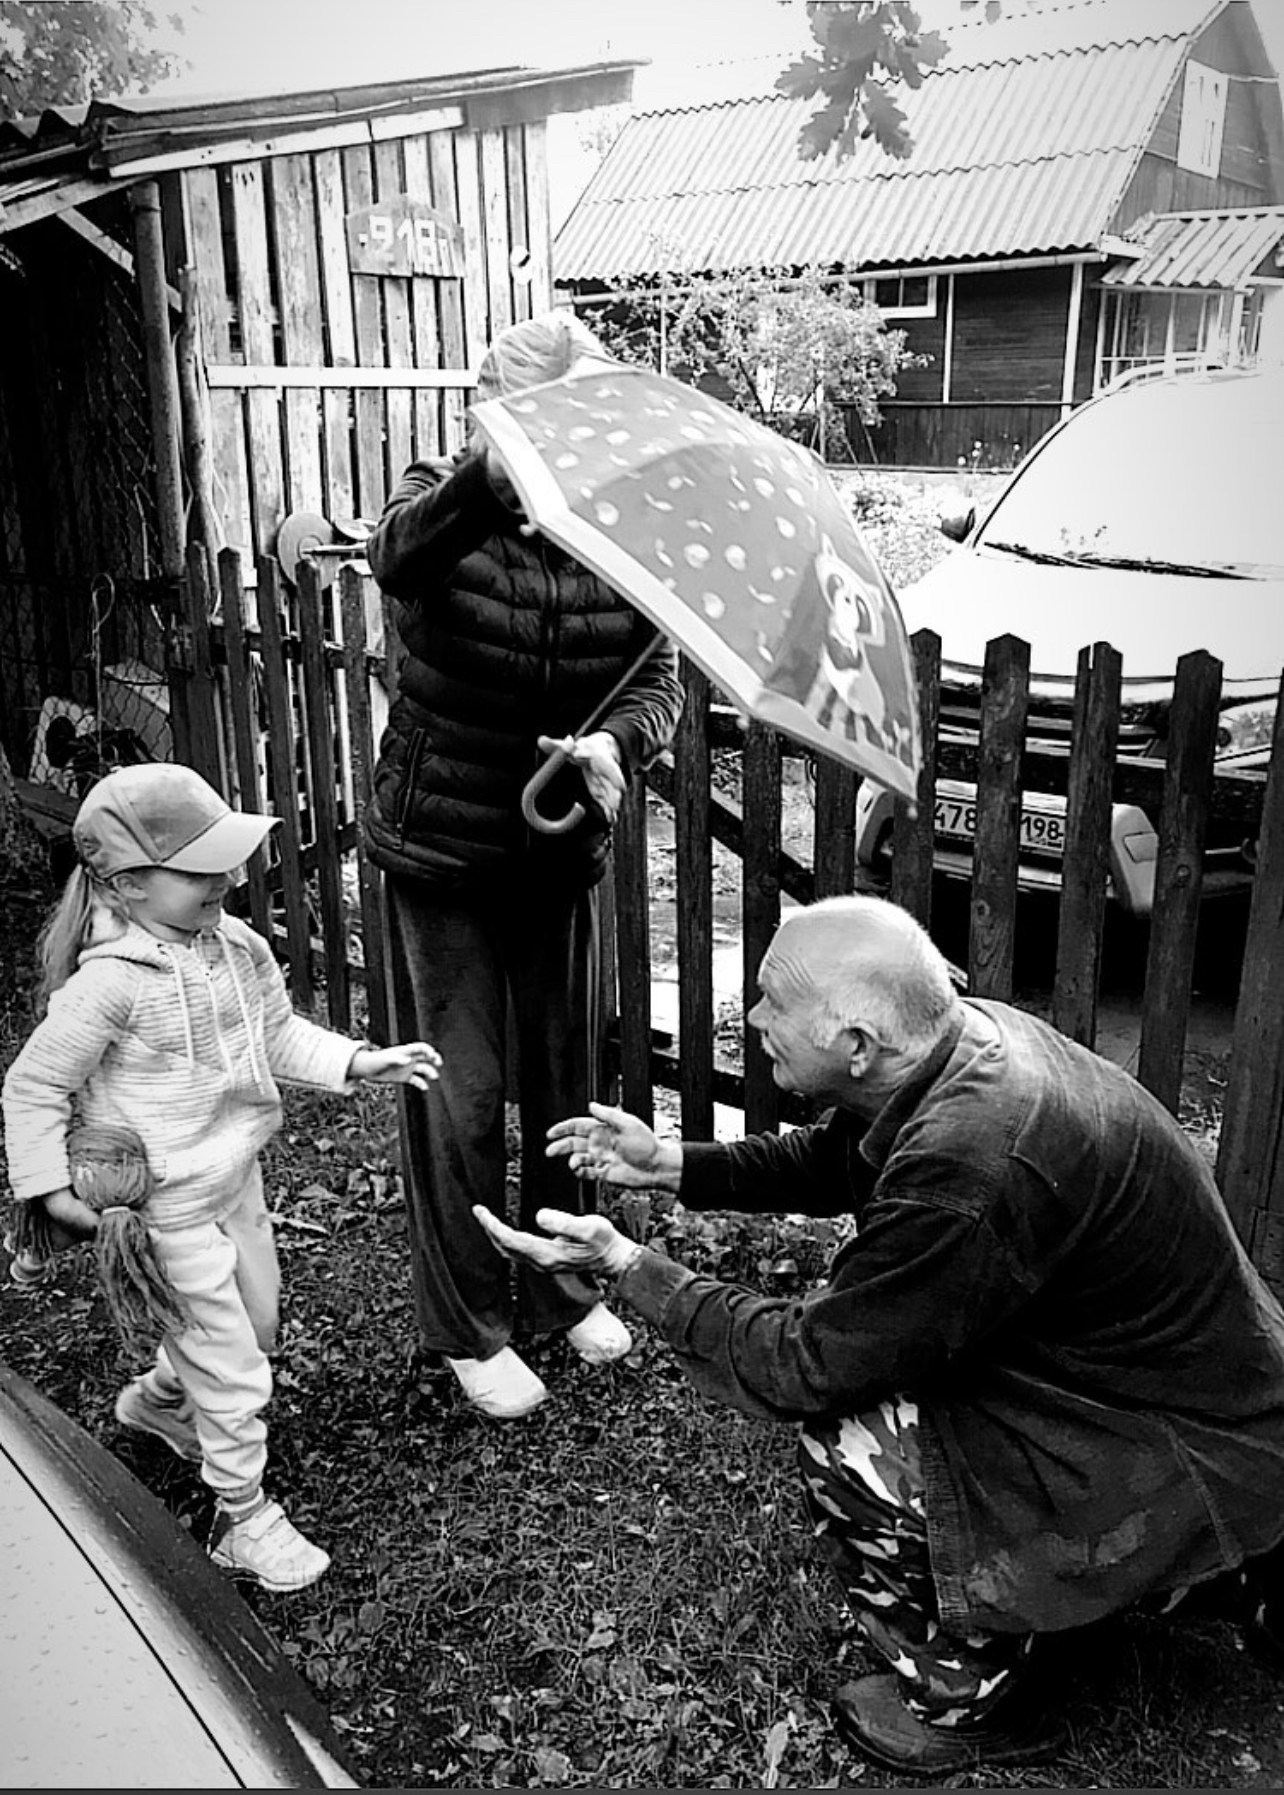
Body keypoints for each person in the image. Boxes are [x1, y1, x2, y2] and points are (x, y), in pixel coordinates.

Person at [475, 893, 1284, 1774]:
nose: (752, 1019)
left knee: (848, 1437)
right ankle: (1230, 1562)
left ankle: (975, 1695)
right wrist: (671, 1164)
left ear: (858, 1045)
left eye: (774, 1003)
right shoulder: (957, 1043)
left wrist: (632, 1267)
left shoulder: (969, 1161)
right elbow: (843, 1157)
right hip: (1196, 1396)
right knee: (874, 1329)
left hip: (1185, 1440)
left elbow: (804, 1366)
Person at [1, 763, 441, 1594]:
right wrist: (46, 1190)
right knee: (237, 1369)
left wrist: (359, 1059)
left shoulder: (239, 947)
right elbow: (33, 1085)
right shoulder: (109, 986)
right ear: (128, 884)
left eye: (225, 860)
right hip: (166, 1210)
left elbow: (275, 1037)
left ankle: (165, 1401)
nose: (226, 879)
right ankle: (243, 1517)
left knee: (260, 1326)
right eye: (199, 867)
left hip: (234, 1185)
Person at [362, 309, 683, 1421]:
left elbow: (660, 673)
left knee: (561, 1086)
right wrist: (495, 475)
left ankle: (563, 1281)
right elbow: (396, 553)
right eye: (555, 425)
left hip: (556, 856)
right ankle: (468, 1321)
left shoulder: (625, 527)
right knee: (461, 1096)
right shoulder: (441, 502)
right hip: (443, 852)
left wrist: (616, 743)